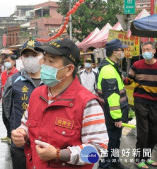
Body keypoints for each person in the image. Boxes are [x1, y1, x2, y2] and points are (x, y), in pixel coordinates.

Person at [11, 39, 108, 169]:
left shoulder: (87, 103)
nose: (44, 65)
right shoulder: (36, 94)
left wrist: (59, 154)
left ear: (68, 69)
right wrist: (22, 133)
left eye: (51, 61)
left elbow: (99, 150)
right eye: (44, 59)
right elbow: (26, 124)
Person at [3, 40, 43, 169]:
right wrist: (13, 131)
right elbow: (6, 111)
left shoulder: (51, 80)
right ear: (21, 59)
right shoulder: (13, 80)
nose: (30, 59)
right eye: (26, 56)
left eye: (34, 55)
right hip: (20, 144)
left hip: (45, 144)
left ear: (43, 56)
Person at [123, 41, 157, 169]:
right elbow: (129, 80)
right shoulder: (136, 65)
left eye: (148, 49)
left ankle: (146, 158)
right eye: (143, 50)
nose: (146, 52)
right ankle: (138, 159)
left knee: (154, 132)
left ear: (154, 51)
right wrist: (121, 78)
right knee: (144, 132)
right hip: (141, 101)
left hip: (155, 103)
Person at [97, 39, 129, 169]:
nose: (123, 52)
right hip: (112, 113)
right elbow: (112, 96)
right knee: (111, 139)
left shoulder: (113, 67)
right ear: (115, 52)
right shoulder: (108, 70)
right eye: (121, 50)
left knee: (115, 139)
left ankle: (114, 161)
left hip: (114, 111)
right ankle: (105, 165)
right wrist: (117, 117)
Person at [0, 54, 18, 143]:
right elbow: (0, 86)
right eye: (6, 61)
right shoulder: (3, 74)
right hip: (5, 101)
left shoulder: (17, 73)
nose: (7, 63)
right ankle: (8, 135)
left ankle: (13, 137)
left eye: (9, 61)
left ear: (14, 62)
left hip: (13, 101)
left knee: (12, 119)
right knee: (5, 118)